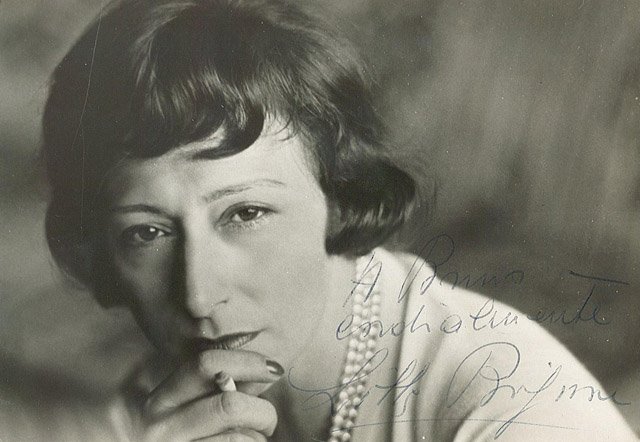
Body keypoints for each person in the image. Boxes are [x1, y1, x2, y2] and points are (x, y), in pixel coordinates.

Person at [32, 0, 637, 440]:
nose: (198, 294)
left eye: (246, 213)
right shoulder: (156, 407)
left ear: (340, 195)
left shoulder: (511, 410)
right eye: (148, 232)